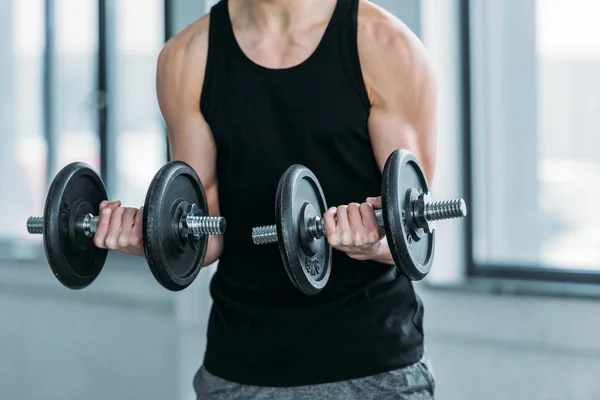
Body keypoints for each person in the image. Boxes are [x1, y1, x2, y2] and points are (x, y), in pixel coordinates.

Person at [94, 0, 438, 398]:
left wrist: (373, 242)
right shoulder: (186, 58)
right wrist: (153, 238)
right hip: (240, 368)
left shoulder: (387, 47)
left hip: (371, 365)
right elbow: (206, 232)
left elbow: (414, 234)